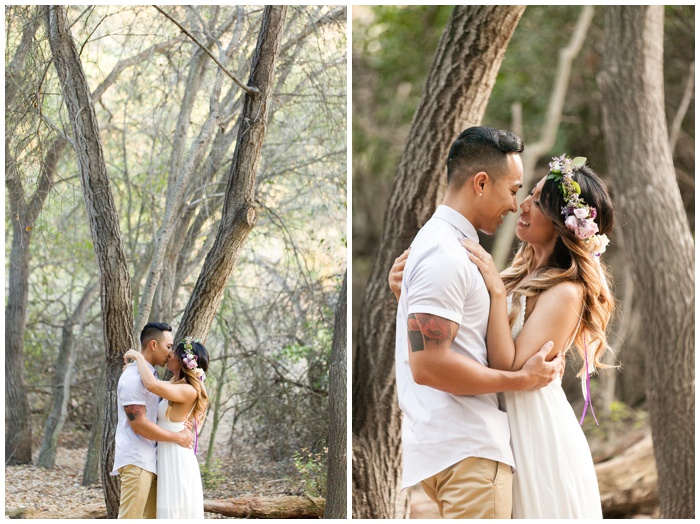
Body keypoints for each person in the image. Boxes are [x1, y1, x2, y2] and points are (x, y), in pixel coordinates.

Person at [391, 153, 614, 518]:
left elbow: (506, 362)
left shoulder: (566, 292)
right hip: (500, 425)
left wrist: (496, 292)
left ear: (562, 223)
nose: (521, 205)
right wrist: (409, 297)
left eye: (538, 201)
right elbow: (467, 339)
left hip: (535, 430)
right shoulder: (518, 274)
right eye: (527, 193)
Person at [111, 322, 195, 519]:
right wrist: (177, 436)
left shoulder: (148, 376)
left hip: (151, 461)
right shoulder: (133, 379)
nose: (170, 353)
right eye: (168, 347)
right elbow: (138, 424)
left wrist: (180, 425)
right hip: (137, 460)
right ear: (153, 345)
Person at [124, 336, 209, 519]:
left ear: (182, 361)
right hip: (166, 453)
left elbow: (151, 385)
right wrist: (132, 371)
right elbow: (148, 385)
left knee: (175, 511)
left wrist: (139, 358)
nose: (169, 353)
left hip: (177, 457)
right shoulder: (175, 385)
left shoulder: (188, 390)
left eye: (174, 351)